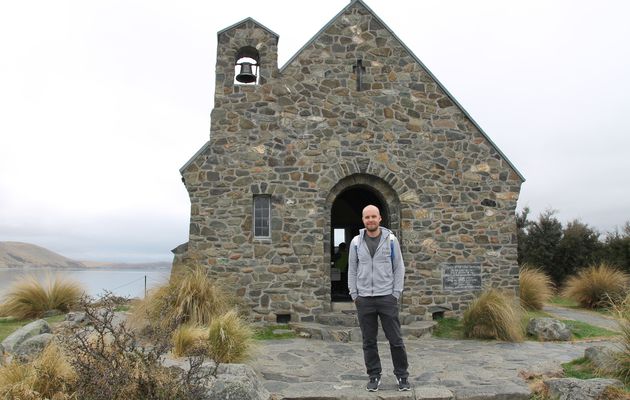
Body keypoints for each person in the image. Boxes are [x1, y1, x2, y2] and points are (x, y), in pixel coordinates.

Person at [348, 205, 410, 392]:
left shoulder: (391, 240)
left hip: (386, 298)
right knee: (368, 341)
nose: (371, 220)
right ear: (363, 219)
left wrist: (395, 293)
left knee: (396, 340)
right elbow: (352, 269)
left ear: (380, 218)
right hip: (364, 299)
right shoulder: (356, 242)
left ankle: (402, 377)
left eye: (374, 216)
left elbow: (399, 267)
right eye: (367, 217)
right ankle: (374, 376)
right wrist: (354, 294)